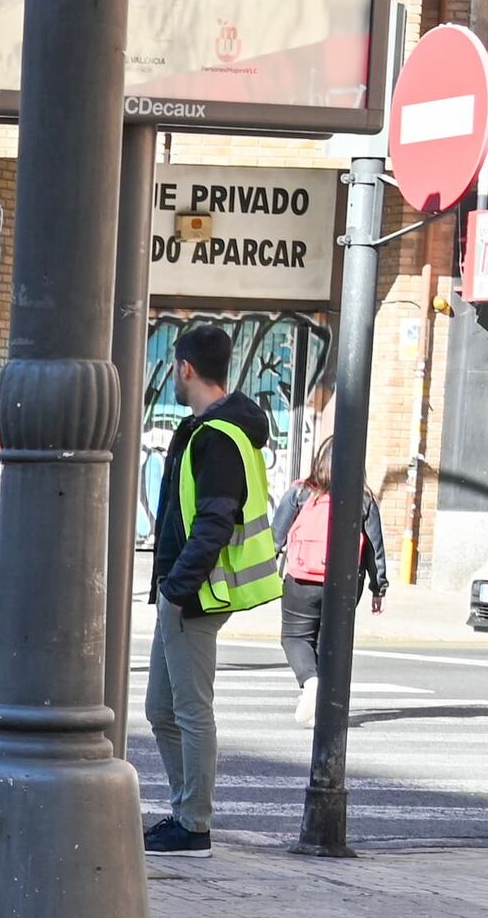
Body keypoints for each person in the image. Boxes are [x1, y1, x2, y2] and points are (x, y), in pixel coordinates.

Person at [143, 324, 279, 856]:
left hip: (197, 594)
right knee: (161, 708)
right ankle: (184, 812)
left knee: (191, 710)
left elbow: (214, 522)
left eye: (176, 369)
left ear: (186, 368)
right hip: (184, 592)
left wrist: (177, 589)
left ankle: (193, 823)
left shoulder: (217, 437)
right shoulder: (209, 430)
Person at [273, 428, 390, 718]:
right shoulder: (364, 500)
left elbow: (275, 537)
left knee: (295, 637)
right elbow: (374, 549)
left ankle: (310, 683)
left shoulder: (300, 492)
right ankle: (326, 705)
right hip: (345, 584)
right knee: (332, 642)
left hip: (301, 580)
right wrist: (379, 588)